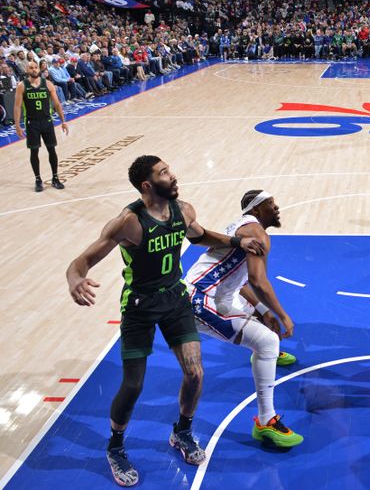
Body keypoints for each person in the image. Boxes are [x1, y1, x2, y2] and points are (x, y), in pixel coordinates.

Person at [66, 155, 266, 487]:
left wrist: (236, 241)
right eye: (164, 173)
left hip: (174, 299)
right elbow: (83, 260)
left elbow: (200, 236)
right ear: (147, 185)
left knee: (195, 372)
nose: (172, 176)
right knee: (133, 385)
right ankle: (115, 447)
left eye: (169, 170)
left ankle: (182, 433)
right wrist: (75, 279)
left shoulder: (182, 210)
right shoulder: (128, 223)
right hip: (140, 306)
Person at [185, 190, 303, 447]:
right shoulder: (257, 233)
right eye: (271, 203)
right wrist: (284, 316)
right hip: (199, 298)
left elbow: (241, 282)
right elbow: (259, 282)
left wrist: (265, 311)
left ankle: (264, 355)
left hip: (217, 295)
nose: (277, 207)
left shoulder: (244, 227)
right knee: (268, 341)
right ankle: (266, 421)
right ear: (257, 209)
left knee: (260, 319)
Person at [13, 60, 68, 192]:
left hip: (47, 121)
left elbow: (57, 104)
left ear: (39, 69)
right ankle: (38, 179)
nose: (34, 69)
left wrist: (63, 121)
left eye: (36, 67)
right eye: (31, 68)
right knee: (34, 151)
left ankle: (55, 178)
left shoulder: (48, 84)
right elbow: (17, 106)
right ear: (27, 70)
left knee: (51, 150)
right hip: (32, 123)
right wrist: (17, 125)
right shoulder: (22, 86)